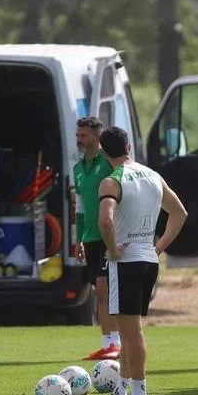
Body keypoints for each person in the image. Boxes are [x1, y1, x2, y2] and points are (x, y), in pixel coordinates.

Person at [95, 126, 188, 395]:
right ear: (129, 147)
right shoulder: (152, 175)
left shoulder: (111, 181)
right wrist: (158, 247)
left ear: (102, 152)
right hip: (148, 258)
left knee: (131, 331)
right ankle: (122, 389)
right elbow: (179, 213)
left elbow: (105, 221)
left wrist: (112, 250)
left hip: (127, 261)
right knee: (128, 330)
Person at [73, 117, 119, 361]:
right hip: (90, 236)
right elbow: (79, 206)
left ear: (97, 137)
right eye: (78, 135)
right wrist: (78, 237)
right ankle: (108, 343)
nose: (79, 139)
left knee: (106, 288)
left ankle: (117, 343)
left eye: (84, 135)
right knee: (100, 291)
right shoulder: (78, 168)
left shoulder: (109, 162)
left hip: (108, 234)